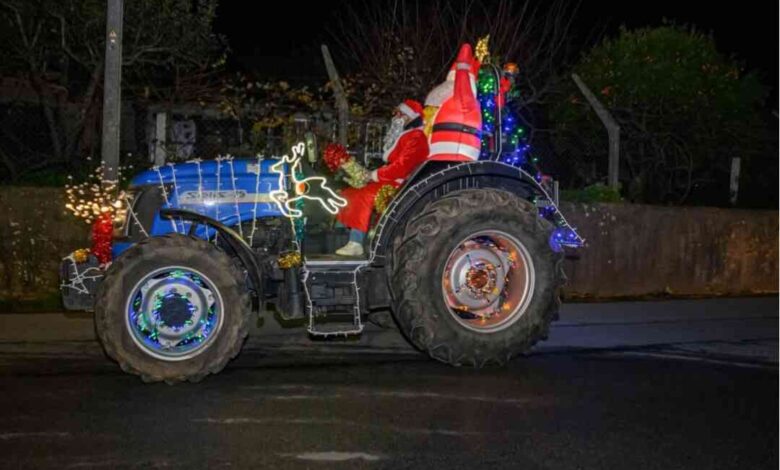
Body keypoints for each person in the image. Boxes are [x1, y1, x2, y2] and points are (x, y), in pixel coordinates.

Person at [335, 99, 429, 256]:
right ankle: (345, 236)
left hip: (402, 184)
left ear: (410, 117)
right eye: (396, 113)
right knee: (348, 193)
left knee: (362, 195)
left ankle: (356, 242)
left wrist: (374, 175)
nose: (396, 117)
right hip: (392, 179)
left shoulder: (416, 137)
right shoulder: (407, 135)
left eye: (400, 114)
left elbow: (402, 167)